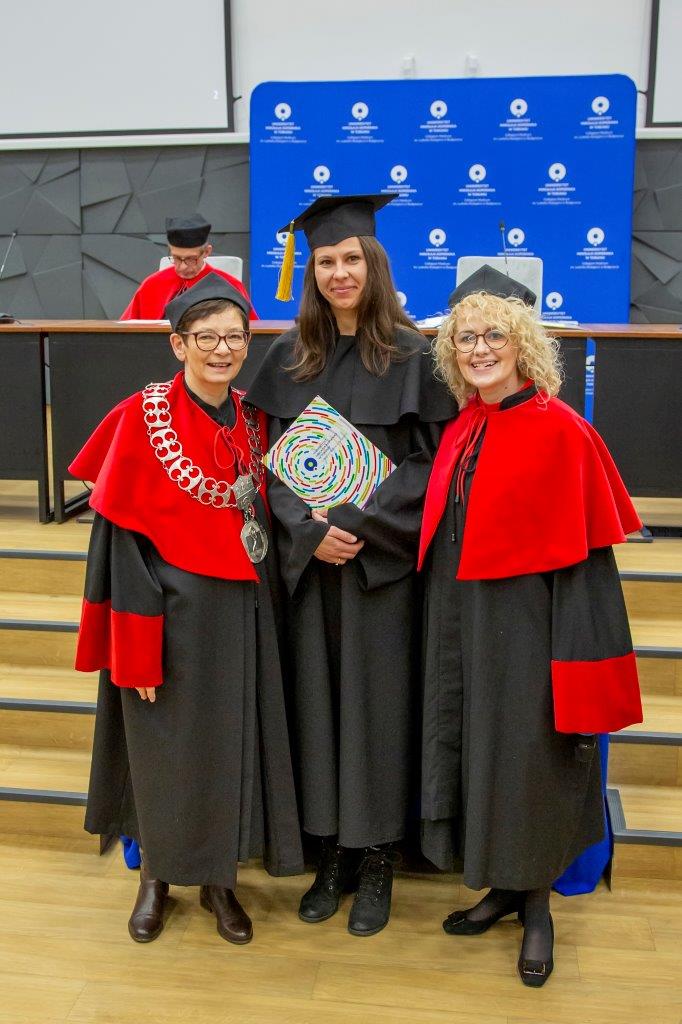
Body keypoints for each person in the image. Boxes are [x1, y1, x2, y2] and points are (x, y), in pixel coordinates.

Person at [418, 265, 643, 986]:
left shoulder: (562, 431)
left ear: (524, 345)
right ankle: (504, 888)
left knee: (530, 761)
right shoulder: (465, 426)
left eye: (494, 335)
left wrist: (570, 655)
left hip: (532, 628)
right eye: (465, 338)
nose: (479, 349)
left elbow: (584, 567)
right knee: (484, 757)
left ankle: (538, 907)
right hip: (468, 623)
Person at [70, 273, 302, 945]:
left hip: (241, 615)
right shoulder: (139, 418)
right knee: (163, 753)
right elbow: (121, 548)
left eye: (235, 337)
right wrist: (137, 649)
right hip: (167, 619)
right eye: (207, 338)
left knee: (230, 747)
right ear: (178, 344)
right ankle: (155, 879)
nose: (223, 350)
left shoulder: (256, 419)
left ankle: (218, 881)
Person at [247, 194, 457, 937]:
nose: (339, 272)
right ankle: (330, 852)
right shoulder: (288, 357)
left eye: (351, 259)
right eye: (326, 261)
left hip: (381, 571)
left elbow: (432, 464)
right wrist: (308, 531)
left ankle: (377, 858)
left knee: (376, 709)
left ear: (375, 265)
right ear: (311, 272)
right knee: (317, 704)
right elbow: (267, 464)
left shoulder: (413, 354)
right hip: (311, 570)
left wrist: (358, 525)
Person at [120, 214, 258, 321]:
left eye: (191, 259)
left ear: (207, 252)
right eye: (176, 258)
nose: (182, 267)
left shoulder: (229, 286)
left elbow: (252, 330)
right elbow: (126, 329)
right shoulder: (152, 284)